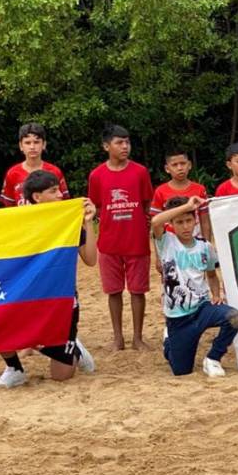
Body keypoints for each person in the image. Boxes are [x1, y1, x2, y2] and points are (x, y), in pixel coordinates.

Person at [0, 170, 97, 387]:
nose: (60, 194)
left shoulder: (68, 222)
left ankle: (73, 347)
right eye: (53, 191)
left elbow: (91, 259)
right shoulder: (19, 223)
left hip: (61, 299)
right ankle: (14, 368)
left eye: (59, 189)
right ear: (37, 197)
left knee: (60, 376)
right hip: (27, 296)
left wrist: (89, 222)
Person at [152, 195, 238, 376]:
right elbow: (155, 221)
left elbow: (211, 274)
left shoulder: (204, 246)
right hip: (178, 317)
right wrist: (187, 205)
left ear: (195, 221)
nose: (185, 226)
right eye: (179, 222)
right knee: (181, 370)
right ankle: (169, 340)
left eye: (188, 220)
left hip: (202, 309)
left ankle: (213, 358)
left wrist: (216, 294)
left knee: (234, 317)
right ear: (172, 223)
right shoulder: (166, 241)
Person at [87, 123, 153, 351]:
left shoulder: (140, 172)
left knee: (138, 290)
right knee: (113, 291)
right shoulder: (97, 175)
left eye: (127, 142)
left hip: (137, 242)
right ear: (106, 146)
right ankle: (118, 337)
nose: (125, 146)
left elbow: (146, 203)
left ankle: (137, 336)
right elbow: (96, 206)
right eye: (119, 142)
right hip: (109, 243)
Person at [0, 122, 70, 206]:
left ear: (44, 144)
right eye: (27, 143)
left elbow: (64, 202)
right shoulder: (12, 173)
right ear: (21, 146)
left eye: (36, 142)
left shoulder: (54, 171)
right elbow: (8, 206)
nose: (32, 147)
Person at [150, 149, 211, 240]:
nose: (179, 168)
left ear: (189, 165)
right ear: (167, 169)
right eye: (174, 165)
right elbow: (156, 224)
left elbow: (205, 221)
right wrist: (159, 252)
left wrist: (206, 244)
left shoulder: (200, 189)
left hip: (195, 242)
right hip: (170, 244)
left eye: (183, 163)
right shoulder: (160, 191)